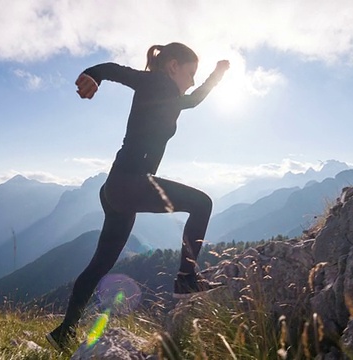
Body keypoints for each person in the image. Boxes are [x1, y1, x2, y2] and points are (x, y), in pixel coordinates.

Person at [46, 42, 230, 352]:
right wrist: (93, 75)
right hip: (130, 183)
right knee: (202, 203)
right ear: (172, 66)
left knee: (98, 266)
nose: (193, 79)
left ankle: (63, 332)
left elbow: (195, 100)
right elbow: (117, 72)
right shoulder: (154, 82)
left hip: (117, 188)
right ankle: (186, 278)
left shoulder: (171, 97)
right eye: (191, 72)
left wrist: (217, 74)